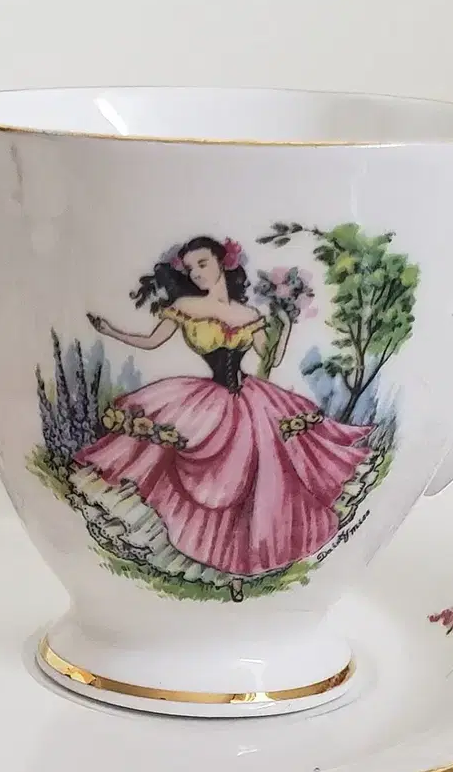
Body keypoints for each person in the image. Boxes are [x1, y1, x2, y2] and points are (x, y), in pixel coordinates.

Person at [77, 235, 371, 600]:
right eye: (190, 269)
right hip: (205, 399)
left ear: (223, 263)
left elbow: (271, 360)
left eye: (202, 264)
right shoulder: (185, 306)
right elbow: (151, 342)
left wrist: (285, 326)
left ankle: (244, 566)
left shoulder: (248, 316)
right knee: (206, 472)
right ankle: (210, 556)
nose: (197, 274)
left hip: (249, 397)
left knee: (256, 476)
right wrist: (110, 331)